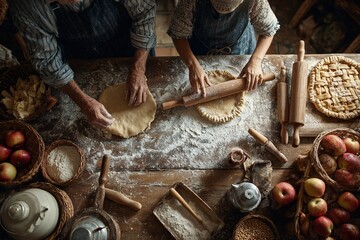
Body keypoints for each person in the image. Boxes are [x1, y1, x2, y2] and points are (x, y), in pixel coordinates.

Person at [9, 0, 156, 128]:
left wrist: (138, 69)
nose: (74, 0)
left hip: (128, 45)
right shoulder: (26, 6)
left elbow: (144, 13)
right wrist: (84, 102)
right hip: (78, 56)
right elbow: (48, 60)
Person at [167, 0, 280, 96]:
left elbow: (268, 31)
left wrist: (256, 60)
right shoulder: (191, 1)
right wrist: (192, 64)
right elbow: (178, 34)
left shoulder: (255, 1)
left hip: (241, 49)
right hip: (199, 52)